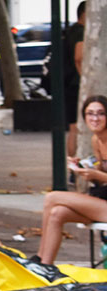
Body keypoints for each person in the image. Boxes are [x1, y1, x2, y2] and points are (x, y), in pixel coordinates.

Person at [33, 95, 107, 276]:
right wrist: (84, 168)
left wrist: (97, 174)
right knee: (57, 213)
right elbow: (100, 178)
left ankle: (38, 259)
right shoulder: (96, 140)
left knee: (52, 197)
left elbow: (102, 175)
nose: (95, 119)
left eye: (100, 114)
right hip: (101, 202)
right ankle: (46, 267)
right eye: (90, 114)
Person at [65, 1, 87, 159]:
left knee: (73, 128)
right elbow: (79, 58)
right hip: (76, 86)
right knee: (78, 128)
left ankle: (74, 170)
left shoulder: (70, 31)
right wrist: (85, 83)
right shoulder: (81, 32)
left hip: (69, 85)